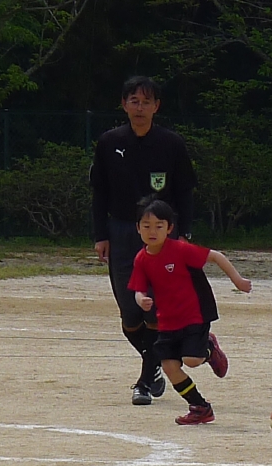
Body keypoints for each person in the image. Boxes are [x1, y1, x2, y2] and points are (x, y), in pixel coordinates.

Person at [91, 76, 197, 406]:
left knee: (154, 310)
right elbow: (99, 193)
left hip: (161, 237)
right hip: (122, 232)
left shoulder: (171, 144)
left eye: (146, 101)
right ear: (124, 104)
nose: (140, 107)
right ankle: (161, 361)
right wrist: (100, 235)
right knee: (129, 313)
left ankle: (145, 381)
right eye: (134, 101)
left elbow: (185, 191)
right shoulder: (109, 142)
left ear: (157, 106)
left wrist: (183, 234)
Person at [128, 199, 251, 425]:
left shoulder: (180, 249)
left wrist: (238, 280)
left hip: (194, 314)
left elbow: (215, 256)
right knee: (169, 367)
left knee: (192, 360)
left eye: (158, 226)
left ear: (169, 228)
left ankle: (210, 349)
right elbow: (138, 288)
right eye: (146, 226)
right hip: (167, 321)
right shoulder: (141, 259)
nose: (152, 231)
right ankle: (200, 407)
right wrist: (141, 300)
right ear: (137, 228)